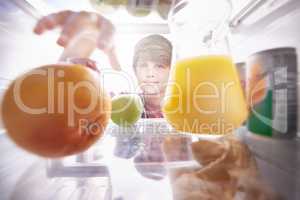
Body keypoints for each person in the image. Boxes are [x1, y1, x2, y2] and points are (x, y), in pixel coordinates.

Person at [33, 10, 171, 118]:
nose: (150, 73)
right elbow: (62, 102)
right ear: (135, 70)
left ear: (172, 69)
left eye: (159, 66)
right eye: (143, 66)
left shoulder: (187, 104)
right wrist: (87, 38)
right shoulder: (122, 102)